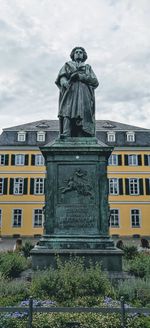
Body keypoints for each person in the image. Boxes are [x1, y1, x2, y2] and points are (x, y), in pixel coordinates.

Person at [55, 47, 99, 137]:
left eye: (80, 52)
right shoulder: (67, 65)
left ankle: (83, 132)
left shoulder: (88, 68)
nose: (78, 53)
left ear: (83, 55)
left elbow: (95, 81)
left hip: (84, 94)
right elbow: (62, 77)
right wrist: (64, 82)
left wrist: (80, 77)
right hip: (70, 91)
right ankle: (66, 132)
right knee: (67, 110)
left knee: (84, 112)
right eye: (76, 52)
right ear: (73, 55)